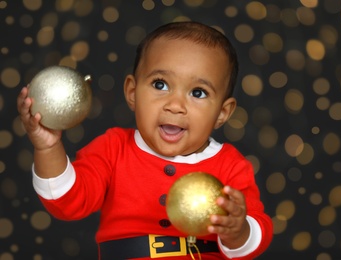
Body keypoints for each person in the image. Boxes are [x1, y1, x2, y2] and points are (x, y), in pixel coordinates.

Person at [17, 21, 273, 259]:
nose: (175, 105)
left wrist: (239, 231)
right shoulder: (113, 148)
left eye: (198, 92)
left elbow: (257, 234)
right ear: (132, 92)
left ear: (222, 113)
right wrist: (48, 147)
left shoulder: (230, 165)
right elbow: (68, 202)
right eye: (160, 84)